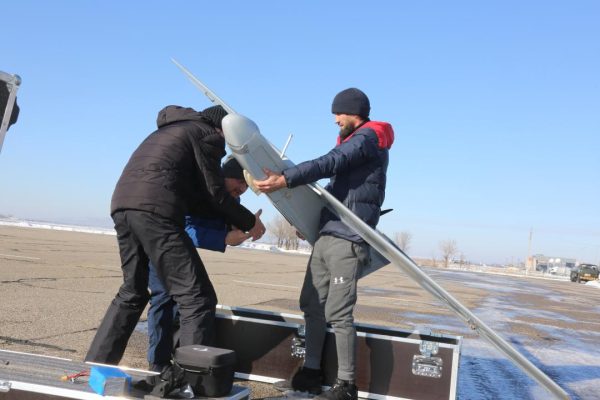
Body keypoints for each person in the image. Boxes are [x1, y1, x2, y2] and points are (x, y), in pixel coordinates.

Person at [85, 105, 265, 365]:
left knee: (132, 291)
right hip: (157, 212)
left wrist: (228, 224)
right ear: (224, 129)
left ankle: (95, 367)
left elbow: (196, 197)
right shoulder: (208, 136)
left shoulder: (170, 131)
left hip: (123, 206)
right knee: (198, 298)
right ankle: (191, 381)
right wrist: (251, 223)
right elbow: (214, 192)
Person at [255, 88, 394, 400]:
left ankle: (346, 386)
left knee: (338, 312)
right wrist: (309, 224)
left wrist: (286, 178)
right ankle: (311, 372)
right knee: (311, 304)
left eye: (338, 113)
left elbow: (332, 162)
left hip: (350, 238)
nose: (335, 119)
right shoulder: (352, 142)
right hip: (328, 235)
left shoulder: (368, 138)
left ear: (353, 112)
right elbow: (331, 190)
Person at [147, 156, 251, 372]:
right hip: (159, 243)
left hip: (179, 250)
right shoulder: (198, 188)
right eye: (239, 181)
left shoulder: (229, 200)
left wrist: (244, 227)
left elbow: (223, 222)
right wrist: (223, 238)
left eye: (246, 185)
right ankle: (159, 363)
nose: (242, 188)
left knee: (183, 303)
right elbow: (180, 228)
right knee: (165, 299)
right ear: (224, 176)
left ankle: (178, 359)